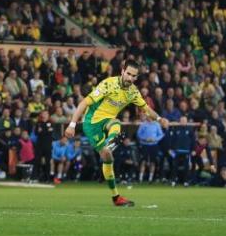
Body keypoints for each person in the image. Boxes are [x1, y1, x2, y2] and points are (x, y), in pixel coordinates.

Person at [65, 58, 169, 206]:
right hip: (92, 123)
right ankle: (116, 194)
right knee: (107, 157)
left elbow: (146, 109)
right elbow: (84, 103)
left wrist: (159, 119)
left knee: (116, 125)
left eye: (134, 76)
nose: (130, 78)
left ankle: (116, 197)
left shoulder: (133, 92)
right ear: (122, 72)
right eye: (128, 74)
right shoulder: (108, 84)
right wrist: (72, 125)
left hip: (108, 121)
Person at [136, 113, 164, 183]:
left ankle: (150, 179)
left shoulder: (157, 124)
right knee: (143, 161)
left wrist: (155, 139)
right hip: (145, 145)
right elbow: (138, 134)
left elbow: (161, 134)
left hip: (154, 145)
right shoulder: (143, 124)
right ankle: (140, 178)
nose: (148, 117)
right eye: (147, 116)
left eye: (150, 116)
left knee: (153, 162)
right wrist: (145, 139)